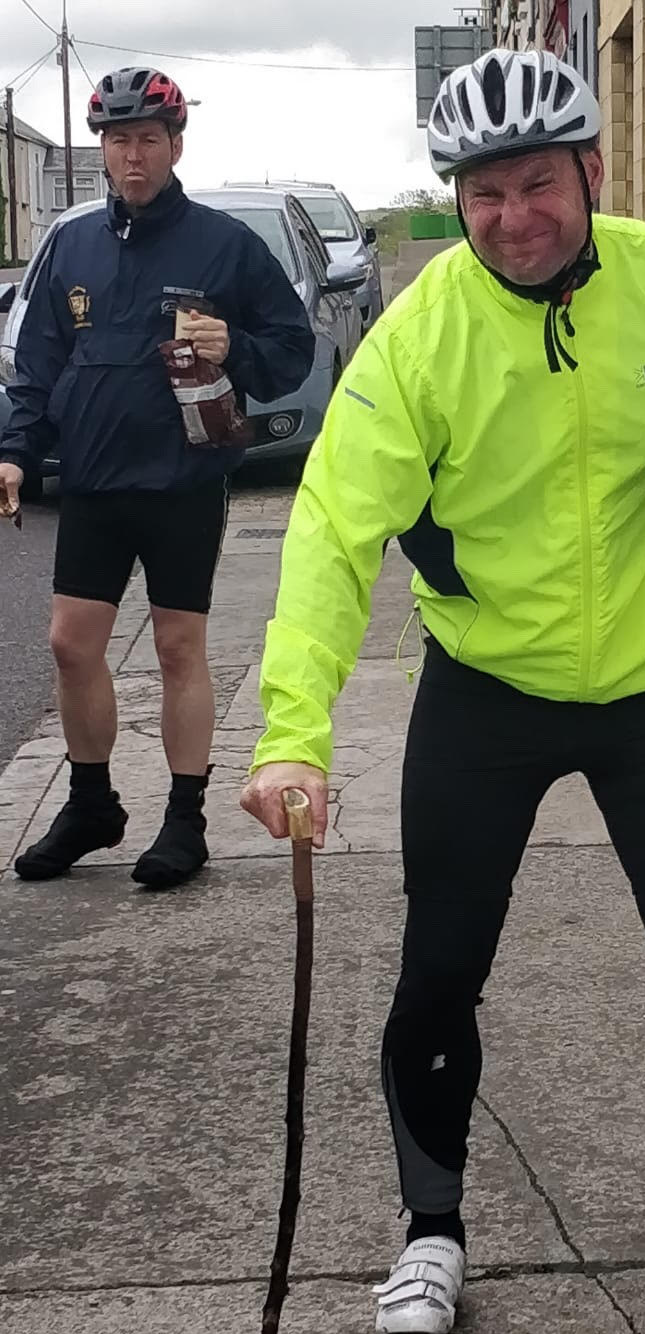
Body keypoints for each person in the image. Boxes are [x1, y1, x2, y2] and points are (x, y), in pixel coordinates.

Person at [241, 48, 645, 1334]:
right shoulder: (420, 337)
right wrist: (292, 734)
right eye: (484, 194)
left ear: (592, 171)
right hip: (484, 689)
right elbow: (332, 533)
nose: (512, 217)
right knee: (442, 964)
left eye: (538, 183)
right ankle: (430, 1233)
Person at [0, 67, 315, 888]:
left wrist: (234, 346)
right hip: (95, 478)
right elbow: (38, 364)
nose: (132, 155)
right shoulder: (71, 244)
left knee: (178, 647)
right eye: (117, 141)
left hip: (183, 477)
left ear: (176, 145)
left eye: (147, 139)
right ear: (102, 150)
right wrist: (15, 452)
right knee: (70, 643)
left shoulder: (224, 245)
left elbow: (292, 352)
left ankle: (184, 819)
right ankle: (91, 804)